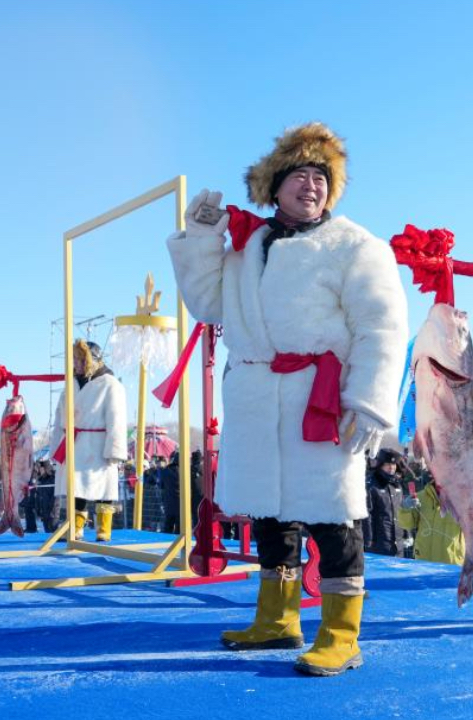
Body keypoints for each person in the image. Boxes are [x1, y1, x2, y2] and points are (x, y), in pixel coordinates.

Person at [166, 123, 407, 675]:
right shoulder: (247, 249)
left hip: (321, 397)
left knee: (334, 515)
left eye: (321, 177)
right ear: (273, 186)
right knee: (272, 514)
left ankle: (341, 634)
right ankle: (277, 619)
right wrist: (201, 239)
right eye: (299, 174)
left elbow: (383, 325)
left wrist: (369, 401)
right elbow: (207, 304)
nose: (311, 185)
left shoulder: (356, 246)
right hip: (257, 398)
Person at [49, 340, 128, 543]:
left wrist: (115, 448)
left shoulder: (110, 384)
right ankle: (75, 527)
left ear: (91, 360)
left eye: (79, 359)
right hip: (75, 442)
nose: (75, 363)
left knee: (104, 486)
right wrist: (57, 443)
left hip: (99, 443)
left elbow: (117, 418)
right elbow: (59, 415)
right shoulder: (71, 384)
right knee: (76, 486)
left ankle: (104, 528)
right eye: (74, 359)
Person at [397, 479, 465, 566]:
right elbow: (406, 524)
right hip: (424, 561)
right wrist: (405, 509)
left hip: (451, 562)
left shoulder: (464, 499)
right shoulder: (420, 497)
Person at [366, 448, 406, 557]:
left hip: (398, 544)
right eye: (387, 464)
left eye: (393, 464)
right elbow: (367, 515)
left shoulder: (397, 484)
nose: (391, 467)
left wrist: (407, 534)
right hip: (379, 544)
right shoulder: (372, 485)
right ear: (380, 465)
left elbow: (401, 511)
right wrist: (369, 540)